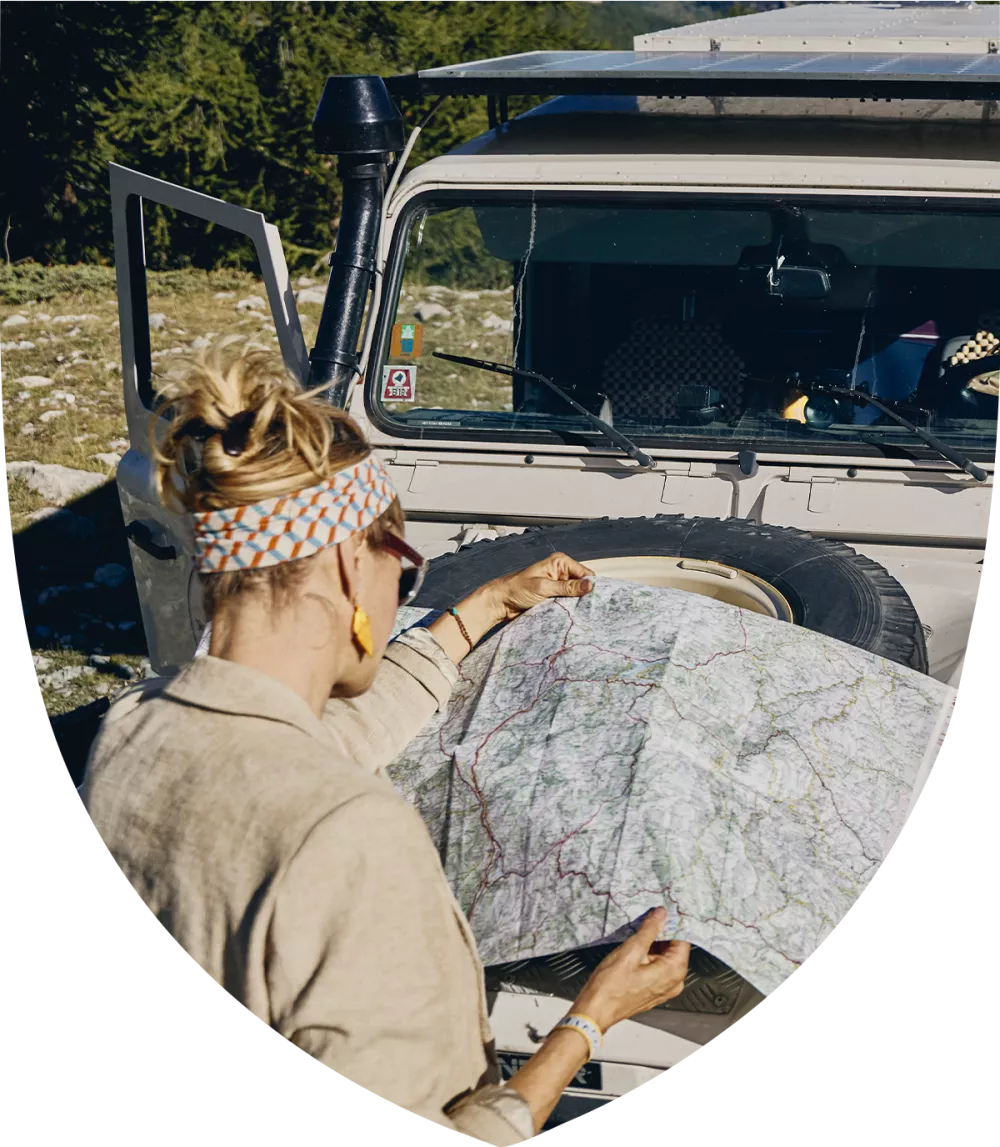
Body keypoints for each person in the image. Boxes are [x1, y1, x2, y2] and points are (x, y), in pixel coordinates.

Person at [81, 338, 691, 1144]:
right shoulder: (350, 833)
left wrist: (481, 608)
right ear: (344, 565)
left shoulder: (133, 730)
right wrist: (590, 1019)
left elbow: (330, 737)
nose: (401, 585)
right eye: (400, 564)